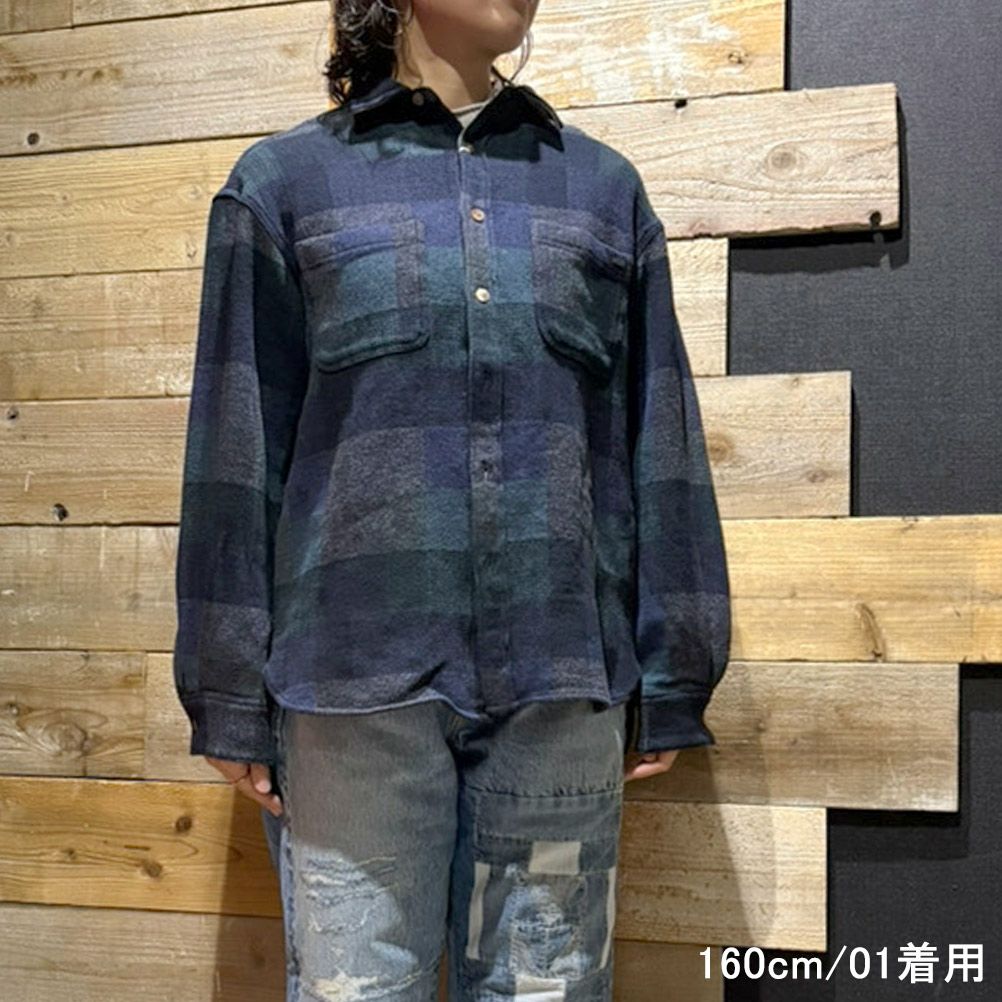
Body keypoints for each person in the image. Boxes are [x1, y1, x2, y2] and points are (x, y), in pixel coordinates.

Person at [172, 0, 731, 998]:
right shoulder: (285, 185)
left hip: (559, 700)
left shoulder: (601, 191)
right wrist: (226, 694)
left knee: (545, 988)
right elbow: (236, 448)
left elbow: (660, 436)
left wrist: (675, 667)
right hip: (352, 703)